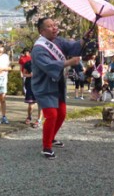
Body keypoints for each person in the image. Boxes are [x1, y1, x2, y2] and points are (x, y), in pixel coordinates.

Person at [31, 17, 85, 160]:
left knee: (61, 113)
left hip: (58, 84)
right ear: (41, 31)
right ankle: (46, 147)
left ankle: (51, 137)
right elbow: (49, 66)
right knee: (51, 115)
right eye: (50, 26)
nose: (54, 28)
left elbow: (72, 47)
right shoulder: (38, 49)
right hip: (44, 87)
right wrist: (69, 62)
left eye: (55, 24)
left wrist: (83, 41)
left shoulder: (59, 41)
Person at [22, 59, 43, 128]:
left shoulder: (43, 62)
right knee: (31, 105)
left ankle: (39, 120)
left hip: (41, 86)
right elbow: (23, 74)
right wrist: (29, 75)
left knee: (40, 104)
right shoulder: (27, 63)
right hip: (30, 85)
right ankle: (29, 117)